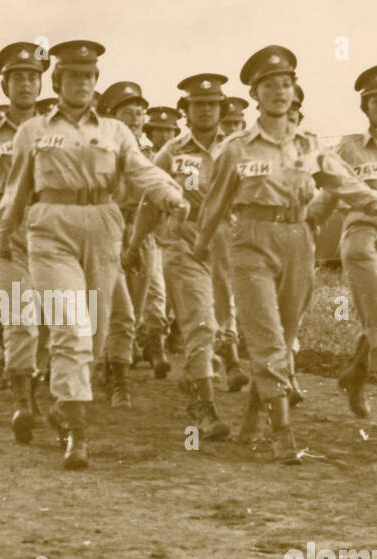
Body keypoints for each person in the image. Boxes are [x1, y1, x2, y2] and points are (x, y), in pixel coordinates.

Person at [195, 45, 377, 465]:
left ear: (294, 91)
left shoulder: (309, 145)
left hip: (298, 238)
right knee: (266, 334)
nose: (280, 92)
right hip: (251, 239)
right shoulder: (236, 148)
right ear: (255, 95)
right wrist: (201, 246)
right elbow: (214, 205)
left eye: (286, 85)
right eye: (270, 86)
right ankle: (283, 431)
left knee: (284, 335)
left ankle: (254, 413)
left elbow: (344, 184)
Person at [0, 40, 188, 469]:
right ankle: (77, 432)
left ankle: (64, 403)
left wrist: (171, 195)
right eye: (73, 76)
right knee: (70, 325)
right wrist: (3, 231)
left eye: (89, 76)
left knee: (96, 335)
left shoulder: (116, 131)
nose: (81, 83)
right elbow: (17, 186)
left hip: (102, 225)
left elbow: (140, 170)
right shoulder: (34, 130)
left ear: (96, 83)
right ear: (58, 82)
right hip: (50, 226)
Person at [307, 65, 377, 432]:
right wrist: (310, 224)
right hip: (362, 234)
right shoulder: (349, 147)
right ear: (365, 107)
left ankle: (355, 374)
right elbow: (329, 189)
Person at [129, 72, 234, 441]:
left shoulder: (237, 146)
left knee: (233, 324)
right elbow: (150, 199)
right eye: (198, 105)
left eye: (212, 104)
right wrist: (134, 244)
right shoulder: (171, 152)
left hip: (230, 249)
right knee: (199, 323)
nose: (206, 110)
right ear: (186, 111)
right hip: (184, 249)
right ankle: (203, 407)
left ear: (221, 108)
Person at [0, 40, 49, 443]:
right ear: (5, 87)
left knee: (54, 316)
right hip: (4, 226)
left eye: (32, 77)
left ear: (41, 84)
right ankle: (22, 396)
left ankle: (38, 384)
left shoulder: (54, 127)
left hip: (49, 224)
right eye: (17, 78)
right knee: (21, 314)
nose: (25, 84)